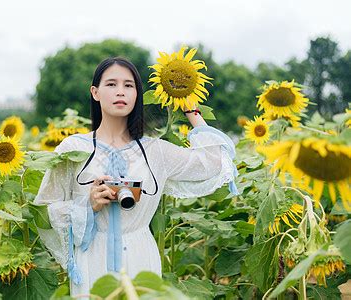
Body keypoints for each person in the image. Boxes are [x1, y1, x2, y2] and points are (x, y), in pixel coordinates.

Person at [33, 57, 239, 296]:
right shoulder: (73, 149)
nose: (120, 91)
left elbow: (214, 162)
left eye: (128, 86)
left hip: (141, 255)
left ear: (137, 95)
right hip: (92, 257)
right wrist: (87, 206)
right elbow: (44, 210)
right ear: (95, 92)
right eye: (111, 84)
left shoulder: (156, 151)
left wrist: (189, 105)